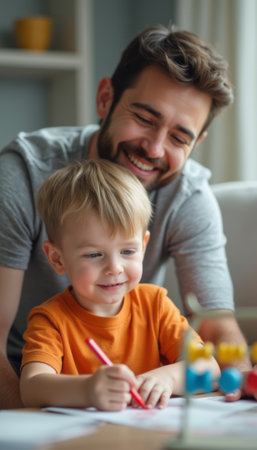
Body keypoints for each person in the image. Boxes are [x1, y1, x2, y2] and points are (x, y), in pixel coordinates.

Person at [0, 24, 251, 409]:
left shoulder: (189, 199)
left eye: (179, 137)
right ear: (105, 99)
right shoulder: (22, 173)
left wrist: (242, 389)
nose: (153, 148)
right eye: (146, 118)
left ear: (196, 143)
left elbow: (216, 327)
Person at [19, 159, 220, 410]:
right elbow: (32, 388)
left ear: (143, 247)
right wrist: (89, 390)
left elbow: (209, 369)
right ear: (57, 259)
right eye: (94, 254)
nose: (115, 268)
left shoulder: (155, 305)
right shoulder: (51, 320)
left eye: (127, 251)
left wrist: (166, 378)